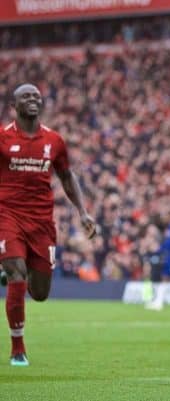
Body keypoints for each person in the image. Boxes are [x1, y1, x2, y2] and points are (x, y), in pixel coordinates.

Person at [0, 83, 96, 366]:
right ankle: (18, 348)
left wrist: (83, 212)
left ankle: (7, 272)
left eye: (36, 96)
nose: (33, 100)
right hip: (8, 215)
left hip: (42, 221)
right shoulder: (3, 138)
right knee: (18, 272)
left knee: (40, 293)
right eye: (26, 96)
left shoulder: (54, 141)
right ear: (14, 105)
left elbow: (67, 177)